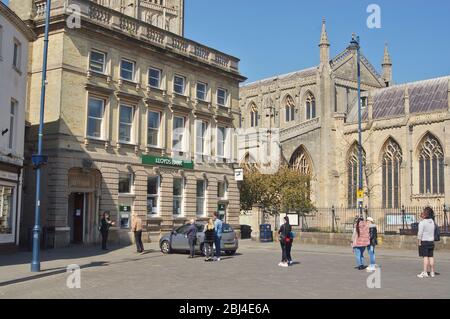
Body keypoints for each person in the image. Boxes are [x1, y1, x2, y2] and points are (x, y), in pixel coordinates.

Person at [417, 207, 437, 278]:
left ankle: (425, 272)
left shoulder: (422, 223)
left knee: (425, 257)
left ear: (425, 213)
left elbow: (420, 233)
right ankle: (432, 272)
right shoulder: (432, 222)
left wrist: (419, 242)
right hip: (431, 241)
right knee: (431, 257)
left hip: (424, 241)